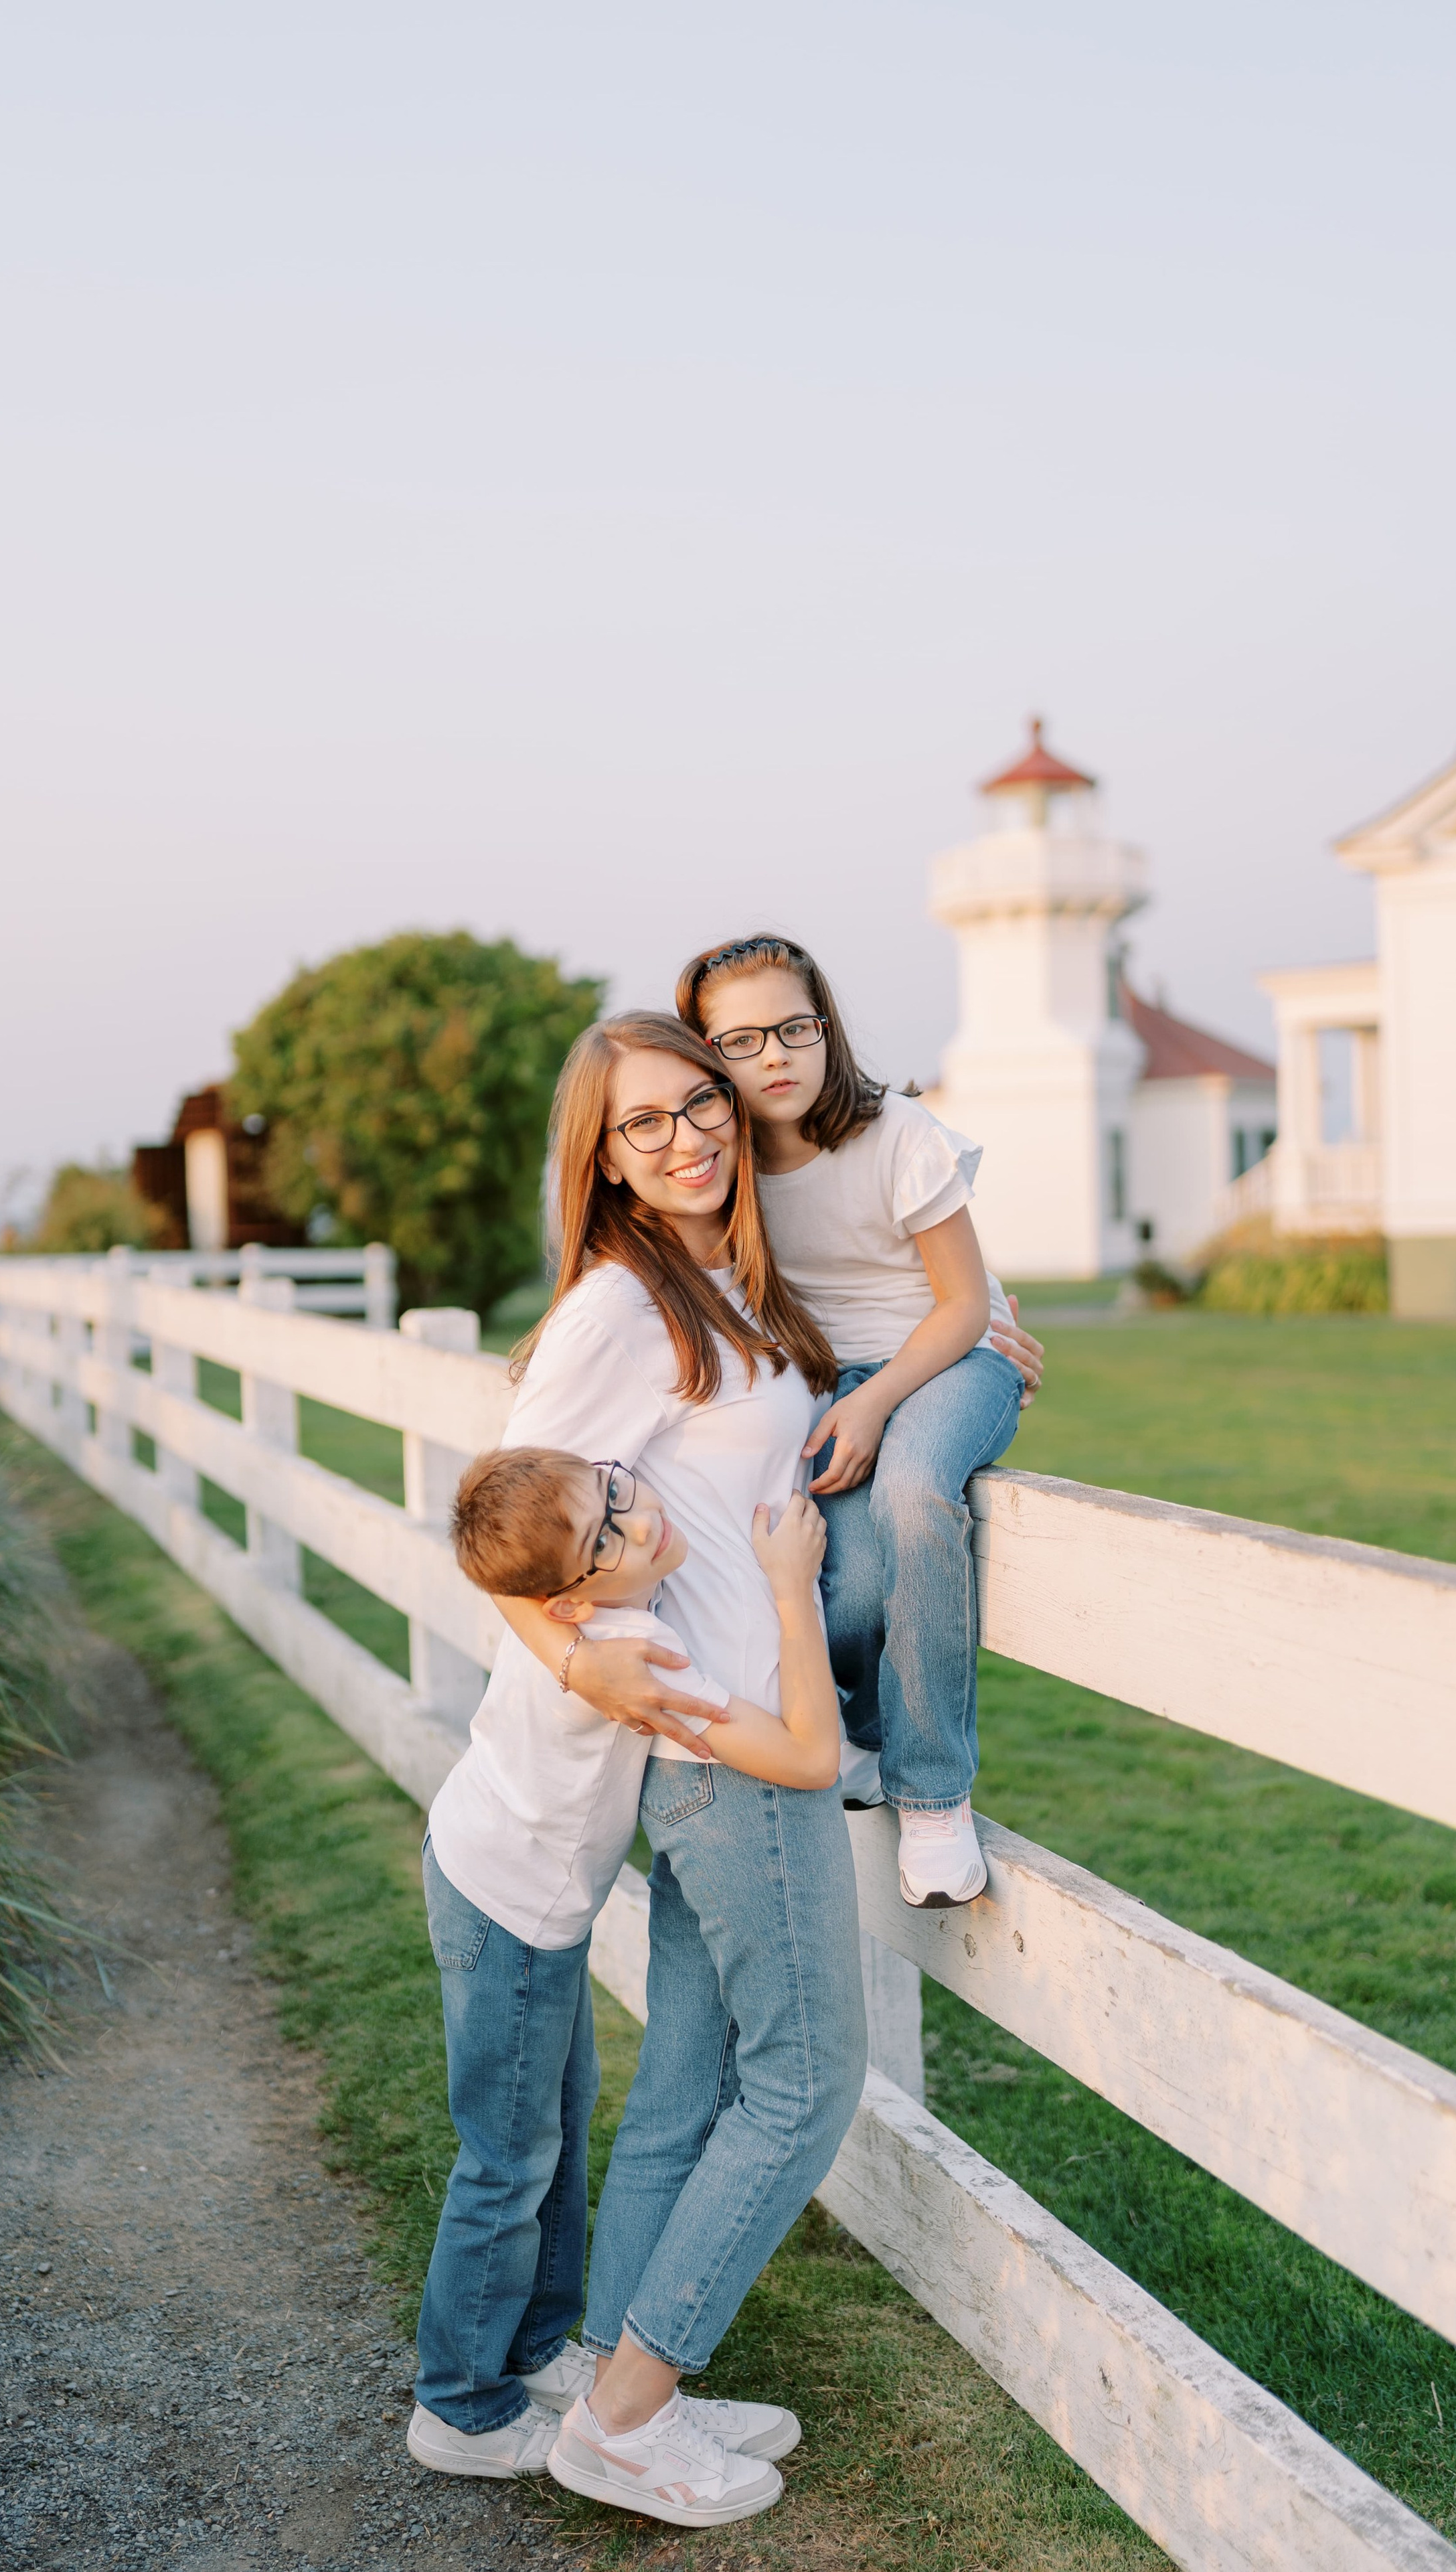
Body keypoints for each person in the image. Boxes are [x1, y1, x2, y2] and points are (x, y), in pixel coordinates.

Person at [487, 1010, 870, 2530]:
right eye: (641, 1124)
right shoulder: (611, 1312)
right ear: (604, 1154)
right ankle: (630, 2420)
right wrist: (578, 1655)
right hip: (729, 1746)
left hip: (721, 1738)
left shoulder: (717, 1281)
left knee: (694, 2082)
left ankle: (609, 2377)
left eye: (696, 1103)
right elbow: (501, 1514)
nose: (685, 1138)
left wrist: (978, 1337)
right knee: (805, 2081)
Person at [408, 1444, 840, 2512]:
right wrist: (791, 1587)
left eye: (619, 1489)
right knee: (507, 2156)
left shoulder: (588, 1619)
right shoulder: (635, 1645)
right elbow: (806, 1758)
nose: (638, 1520)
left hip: (502, 1884)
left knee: (554, 2120)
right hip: (508, 1906)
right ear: (571, 1596)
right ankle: (459, 2405)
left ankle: (544, 2348)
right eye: (606, 1538)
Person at [677, 933, 1044, 1909]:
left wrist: (878, 1402)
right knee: (847, 1593)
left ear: (826, 1027)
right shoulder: (726, 1171)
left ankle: (934, 1796)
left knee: (919, 1497)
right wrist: (845, 1400)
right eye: (744, 1040)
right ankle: (871, 1733)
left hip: (952, 1361)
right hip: (829, 1387)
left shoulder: (900, 1135)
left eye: (796, 1028)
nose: (777, 1056)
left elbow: (963, 1304)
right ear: (709, 1056)